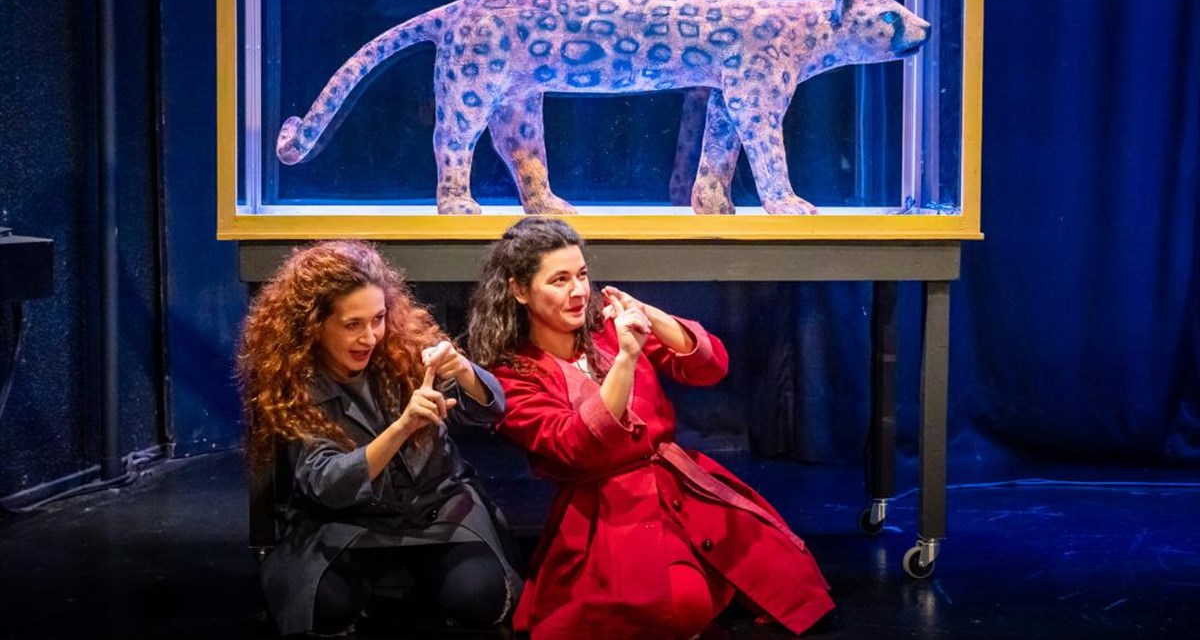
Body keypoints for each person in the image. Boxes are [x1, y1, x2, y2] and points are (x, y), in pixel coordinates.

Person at [467, 218, 834, 640]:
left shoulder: (607, 326)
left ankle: (713, 577)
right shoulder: (513, 374)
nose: (579, 291)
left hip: (679, 483)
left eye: (582, 275)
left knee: (791, 580)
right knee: (678, 607)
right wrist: (625, 360)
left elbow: (710, 366)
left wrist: (647, 314)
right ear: (519, 290)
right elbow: (576, 444)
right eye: (560, 280)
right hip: (609, 506)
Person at [237, 240, 522, 637]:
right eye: (352, 324)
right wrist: (402, 428)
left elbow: (491, 409)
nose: (370, 337)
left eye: (378, 318)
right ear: (315, 325)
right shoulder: (298, 382)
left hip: (437, 510)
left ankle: (413, 584)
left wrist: (462, 369)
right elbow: (327, 484)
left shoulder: (404, 346)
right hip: (347, 524)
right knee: (325, 609)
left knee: (480, 599)